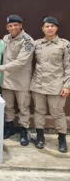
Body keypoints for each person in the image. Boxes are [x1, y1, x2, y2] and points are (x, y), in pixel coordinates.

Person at [0, 15, 35, 146]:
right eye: (10, 25)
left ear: (21, 25)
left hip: (21, 81)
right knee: (8, 107)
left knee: (23, 108)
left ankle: (23, 132)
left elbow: (21, 62)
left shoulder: (27, 41)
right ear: (7, 27)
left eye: (15, 25)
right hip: (7, 80)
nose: (13, 27)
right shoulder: (6, 38)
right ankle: (9, 129)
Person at [30, 17, 70, 153]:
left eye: (52, 26)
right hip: (38, 83)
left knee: (58, 113)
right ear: (42, 29)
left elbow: (68, 66)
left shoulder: (64, 45)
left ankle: (62, 140)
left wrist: (67, 85)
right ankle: (40, 137)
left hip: (56, 85)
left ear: (57, 28)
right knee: (39, 111)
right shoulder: (36, 44)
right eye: (47, 26)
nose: (49, 28)